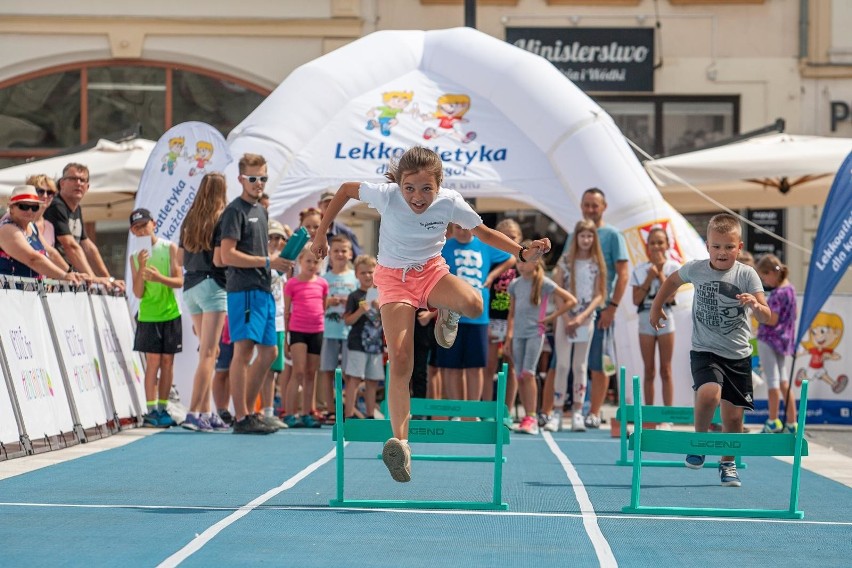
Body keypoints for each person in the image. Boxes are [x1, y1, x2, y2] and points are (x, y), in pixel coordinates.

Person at [311, 146, 551, 483]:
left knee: (475, 305)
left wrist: (522, 251)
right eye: (409, 188)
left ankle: (446, 312)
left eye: (426, 189)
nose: (418, 197)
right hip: (393, 280)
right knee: (401, 359)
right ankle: (401, 443)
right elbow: (346, 190)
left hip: (431, 273)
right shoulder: (387, 195)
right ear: (399, 183)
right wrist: (321, 232)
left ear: (439, 186)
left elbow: (482, 232)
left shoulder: (451, 201)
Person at [650, 213, 770, 487]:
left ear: (739, 248)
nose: (722, 252)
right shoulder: (696, 269)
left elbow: (766, 316)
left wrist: (754, 304)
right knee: (708, 394)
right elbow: (671, 281)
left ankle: (728, 463)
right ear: (707, 246)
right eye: (716, 246)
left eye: (729, 247)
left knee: (733, 416)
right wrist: (657, 307)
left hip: (738, 354)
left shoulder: (746, 274)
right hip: (705, 349)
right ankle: (699, 442)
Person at [219, 153, 291, 434]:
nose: (258, 183)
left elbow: (258, 254)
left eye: (262, 178)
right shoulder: (235, 211)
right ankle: (242, 416)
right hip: (244, 290)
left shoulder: (261, 210)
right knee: (244, 350)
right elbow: (227, 255)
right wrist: (267, 261)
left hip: (263, 288)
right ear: (240, 180)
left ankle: (250, 412)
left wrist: (279, 259)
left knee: (269, 351)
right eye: (253, 178)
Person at [438, 222, 515, 405]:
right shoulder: (444, 247)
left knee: (475, 366)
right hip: (451, 314)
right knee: (452, 367)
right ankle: (457, 411)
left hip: (478, 316)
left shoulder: (484, 244)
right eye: (457, 228)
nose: (462, 232)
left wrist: (491, 276)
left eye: (465, 227)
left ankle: (473, 411)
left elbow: (511, 258)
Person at [506, 240, 577, 435]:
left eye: (524, 260)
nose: (520, 264)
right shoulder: (514, 285)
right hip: (518, 335)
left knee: (528, 373)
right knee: (520, 375)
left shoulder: (544, 283)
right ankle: (527, 417)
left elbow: (571, 300)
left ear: (535, 261)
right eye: (518, 261)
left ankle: (532, 416)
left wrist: (550, 318)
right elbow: (511, 314)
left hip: (534, 334)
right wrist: (508, 337)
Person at [178, 173, 230, 432]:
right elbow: (221, 258)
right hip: (213, 285)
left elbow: (179, 259)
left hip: (191, 287)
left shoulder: (190, 219)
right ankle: (194, 412)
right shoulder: (222, 218)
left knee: (210, 351)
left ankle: (206, 411)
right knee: (209, 353)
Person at [576, 188, 628, 429]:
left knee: (601, 363)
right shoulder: (576, 233)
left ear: (604, 207)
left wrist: (612, 308)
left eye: (594, 205)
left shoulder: (613, 235)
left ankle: (595, 412)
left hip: (601, 311)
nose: (590, 209)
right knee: (574, 364)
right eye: (586, 205)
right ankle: (576, 409)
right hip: (576, 313)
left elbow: (623, 275)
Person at [548, 219, 606, 432]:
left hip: (585, 320)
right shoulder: (565, 261)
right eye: (582, 235)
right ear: (576, 237)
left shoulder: (596, 263)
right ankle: (556, 411)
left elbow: (599, 294)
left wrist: (581, 318)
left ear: (594, 238)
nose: (586, 240)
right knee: (562, 365)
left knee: (580, 366)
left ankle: (578, 413)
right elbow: (558, 291)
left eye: (590, 236)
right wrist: (566, 319)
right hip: (565, 319)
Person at [128, 207, 184, 428]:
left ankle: (163, 407)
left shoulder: (169, 248)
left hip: (170, 313)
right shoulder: (135, 258)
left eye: (144, 225)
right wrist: (142, 269)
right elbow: (138, 293)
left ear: (154, 223)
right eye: (136, 228)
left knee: (168, 362)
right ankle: (151, 410)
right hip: (149, 316)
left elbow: (179, 281)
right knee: (153, 362)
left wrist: (160, 277)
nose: (141, 230)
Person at [43, 163, 124, 291]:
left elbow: (88, 247)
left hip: (68, 278)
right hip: (54, 279)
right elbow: (70, 245)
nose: (79, 183)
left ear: (87, 186)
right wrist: (93, 278)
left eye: (83, 180)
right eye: (73, 179)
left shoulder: (77, 208)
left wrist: (108, 279)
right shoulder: (56, 205)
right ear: (62, 183)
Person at [630, 226, 681, 407]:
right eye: (653, 243)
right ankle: (649, 414)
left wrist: (659, 274)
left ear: (667, 245)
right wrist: (648, 278)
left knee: (666, 369)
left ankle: (667, 415)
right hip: (645, 316)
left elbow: (671, 296)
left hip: (666, 316)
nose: (657, 246)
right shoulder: (639, 269)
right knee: (649, 370)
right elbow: (636, 300)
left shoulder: (673, 268)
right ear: (647, 246)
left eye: (660, 242)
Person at [282, 244, 328, 428]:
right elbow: (287, 312)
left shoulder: (322, 283)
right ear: (300, 261)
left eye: (315, 262)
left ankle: (307, 412)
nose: (312, 265)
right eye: (308, 261)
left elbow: (322, 307)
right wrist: (286, 339)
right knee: (298, 372)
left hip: (316, 330)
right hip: (298, 330)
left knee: (311, 373)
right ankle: (290, 413)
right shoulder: (292, 283)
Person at [0, 186, 83, 282]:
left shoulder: (32, 227)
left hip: (27, 293)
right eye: (24, 206)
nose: (30, 211)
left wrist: (71, 273)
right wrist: (63, 276)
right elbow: (33, 259)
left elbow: (51, 254)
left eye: (34, 207)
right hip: (8, 294)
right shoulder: (7, 229)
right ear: (12, 208)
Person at [755, 253, 798, 433]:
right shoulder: (791, 290)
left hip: (769, 339)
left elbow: (771, 319)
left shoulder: (778, 294)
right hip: (783, 340)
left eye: (764, 277)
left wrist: (756, 307)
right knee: (783, 381)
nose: (765, 281)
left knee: (772, 381)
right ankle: (791, 422)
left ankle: (772, 421)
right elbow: (793, 316)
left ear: (772, 272)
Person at [318, 235, 357, 423]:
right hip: (328, 331)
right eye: (336, 251)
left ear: (350, 253)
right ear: (330, 255)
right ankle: (330, 409)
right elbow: (316, 304)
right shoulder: (323, 279)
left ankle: (348, 410)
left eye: (344, 250)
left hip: (350, 333)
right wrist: (328, 302)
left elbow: (363, 301)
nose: (340, 254)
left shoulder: (355, 278)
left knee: (350, 373)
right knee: (327, 370)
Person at [342, 254, 384, 419]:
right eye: (363, 272)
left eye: (371, 272)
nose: (367, 276)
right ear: (357, 274)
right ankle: (349, 413)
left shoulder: (381, 294)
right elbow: (347, 320)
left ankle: (369, 414)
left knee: (372, 380)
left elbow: (385, 320)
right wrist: (361, 310)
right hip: (357, 343)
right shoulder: (354, 296)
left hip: (376, 345)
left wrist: (379, 309)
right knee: (354, 378)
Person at [485, 219, 522, 406]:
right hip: (491, 318)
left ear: (520, 239)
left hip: (512, 319)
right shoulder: (491, 260)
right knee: (489, 366)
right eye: (505, 237)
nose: (509, 240)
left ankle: (506, 409)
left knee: (511, 367)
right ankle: (486, 409)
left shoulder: (521, 263)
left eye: (513, 237)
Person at [259, 220, 291, 431]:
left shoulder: (283, 263)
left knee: (272, 370)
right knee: (259, 366)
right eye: (271, 237)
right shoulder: (261, 260)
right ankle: (255, 411)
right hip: (262, 317)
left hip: (278, 319)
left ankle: (269, 411)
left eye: (280, 238)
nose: (276, 241)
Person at [318, 190, 362, 257]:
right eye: (327, 206)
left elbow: (358, 259)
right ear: (319, 205)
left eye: (333, 206)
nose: (330, 210)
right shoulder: (308, 230)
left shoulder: (346, 232)